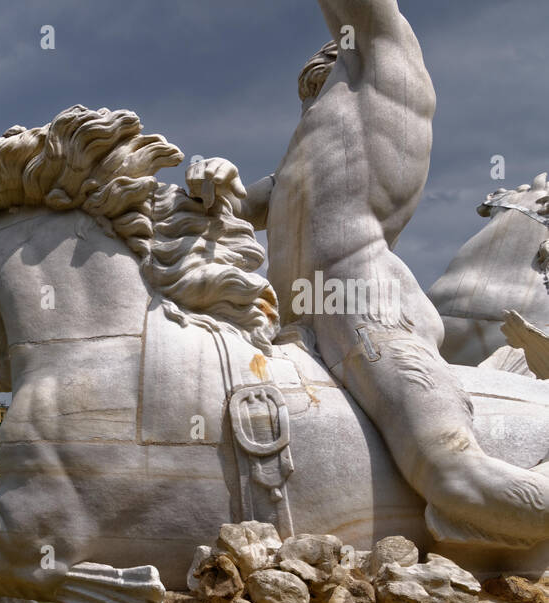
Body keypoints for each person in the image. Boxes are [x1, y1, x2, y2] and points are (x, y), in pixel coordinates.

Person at [194, 0, 549, 547]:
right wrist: (211, 179)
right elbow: (230, 206)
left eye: (324, 82)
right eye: (307, 98)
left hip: (365, 303)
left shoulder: (389, 69)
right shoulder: (302, 159)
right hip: (298, 323)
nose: (312, 101)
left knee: (451, 476)